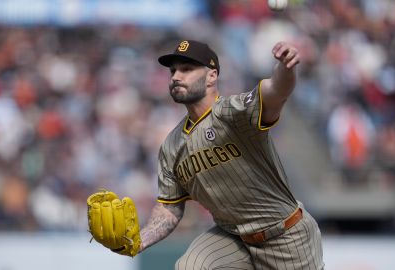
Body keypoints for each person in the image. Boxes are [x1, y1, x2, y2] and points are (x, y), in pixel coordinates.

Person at [139, 39, 324, 270]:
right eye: (173, 70)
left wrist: (286, 68)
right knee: (190, 267)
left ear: (211, 76)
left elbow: (275, 90)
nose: (176, 76)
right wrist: (137, 240)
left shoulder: (233, 112)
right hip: (232, 238)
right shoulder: (171, 146)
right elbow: (169, 208)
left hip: (285, 235)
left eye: (186, 69)